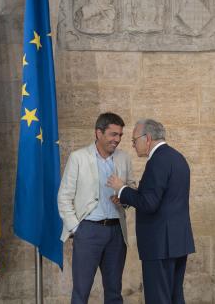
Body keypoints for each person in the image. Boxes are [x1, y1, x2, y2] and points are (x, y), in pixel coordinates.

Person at [108, 119, 195, 304]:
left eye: (134, 140)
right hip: (178, 242)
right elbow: (162, 198)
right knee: (175, 297)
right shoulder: (177, 157)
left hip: (160, 245)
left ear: (147, 138)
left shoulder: (157, 161)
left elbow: (149, 204)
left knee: (158, 298)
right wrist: (127, 196)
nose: (133, 145)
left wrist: (122, 188)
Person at [58, 112, 136, 304]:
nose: (117, 140)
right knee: (81, 292)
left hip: (117, 233)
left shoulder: (124, 158)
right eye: (113, 134)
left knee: (114, 292)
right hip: (88, 232)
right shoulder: (78, 158)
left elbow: (132, 189)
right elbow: (64, 197)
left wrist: (124, 199)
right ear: (98, 133)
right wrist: (78, 229)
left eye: (120, 135)